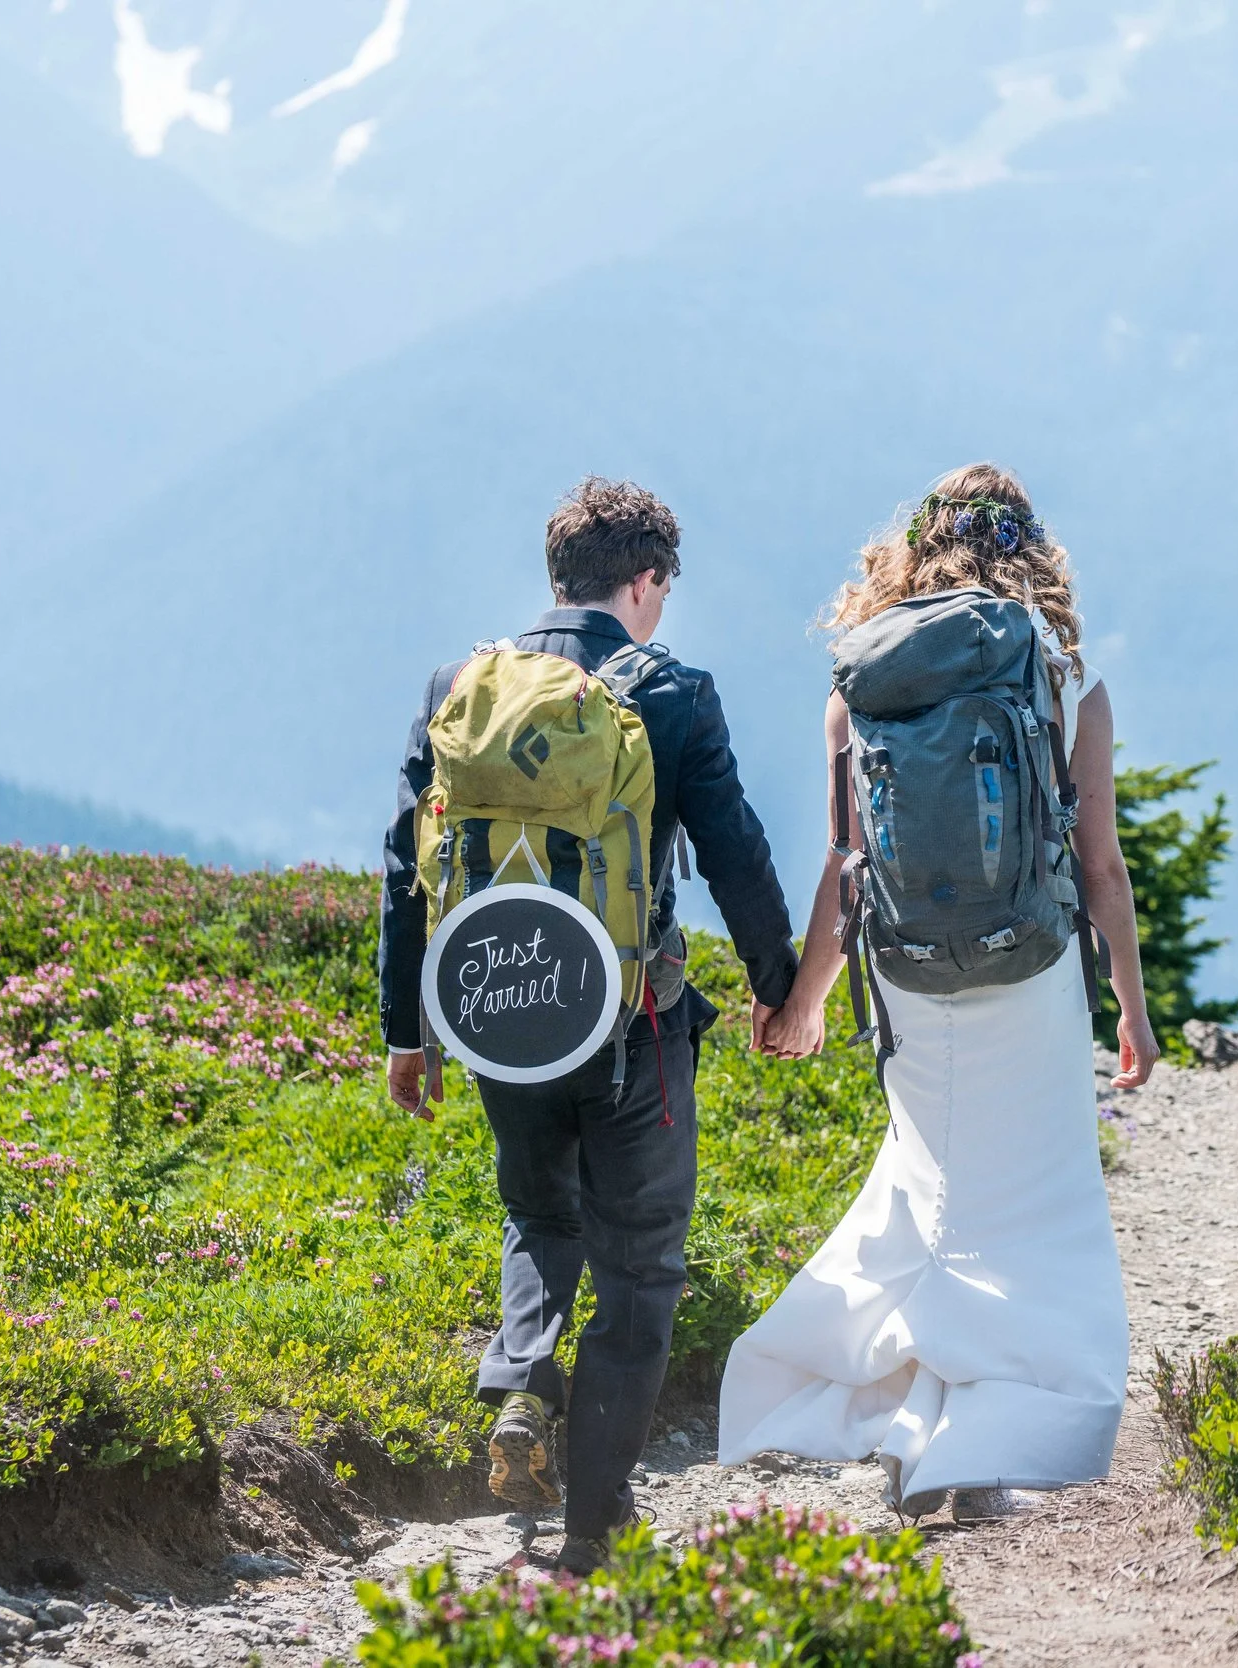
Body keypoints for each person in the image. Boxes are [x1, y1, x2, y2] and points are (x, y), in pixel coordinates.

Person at [715, 462, 1159, 1520]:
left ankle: (910, 1441)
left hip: (906, 975)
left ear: (912, 555)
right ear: (1032, 555)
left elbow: (845, 864)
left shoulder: (863, 682)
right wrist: (1133, 1006)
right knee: (1027, 1208)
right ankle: (979, 1453)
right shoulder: (1064, 678)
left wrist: (807, 998)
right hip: (1034, 973)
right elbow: (1099, 866)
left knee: (929, 1193)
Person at [379, 477, 800, 1573]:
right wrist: (777, 983)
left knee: (537, 1209)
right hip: (636, 1020)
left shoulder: (459, 685)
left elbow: (403, 865)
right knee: (642, 1265)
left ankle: (521, 1385)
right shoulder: (670, 688)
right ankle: (594, 1523)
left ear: (554, 576)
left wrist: (409, 1029)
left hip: (497, 1013)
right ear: (646, 582)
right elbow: (733, 850)